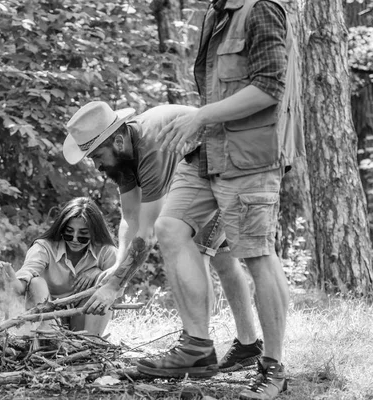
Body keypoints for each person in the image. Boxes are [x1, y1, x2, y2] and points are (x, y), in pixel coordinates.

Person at [136, 0, 303, 399]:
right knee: (170, 227)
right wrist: (202, 121)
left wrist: (202, 115)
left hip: (250, 157)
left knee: (256, 253)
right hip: (209, 151)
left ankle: (273, 367)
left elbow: (269, 87)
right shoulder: (217, 13)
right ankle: (197, 346)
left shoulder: (261, 9)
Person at [62, 101, 263, 375]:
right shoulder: (123, 158)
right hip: (206, 164)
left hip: (227, 161)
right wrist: (116, 268)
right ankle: (248, 346)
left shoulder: (150, 148)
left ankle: (196, 348)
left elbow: (147, 234)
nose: (96, 165)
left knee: (196, 250)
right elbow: (130, 218)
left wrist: (114, 286)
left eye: (97, 156)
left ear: (117, 141)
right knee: (223, 258)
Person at [3, 197, 117, 336]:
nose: (75, 240)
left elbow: (117, 287)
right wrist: (14, 281)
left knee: (104, 286)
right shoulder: (44, 247)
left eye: (83, 235)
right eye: (69, 232)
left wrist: (98, 273)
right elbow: (27, 275)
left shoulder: (107, 252)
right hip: (48, 317)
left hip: (82, 320)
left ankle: (91, 342)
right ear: (61, 229)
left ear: (94, 233)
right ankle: (48, 339)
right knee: (36, 282)